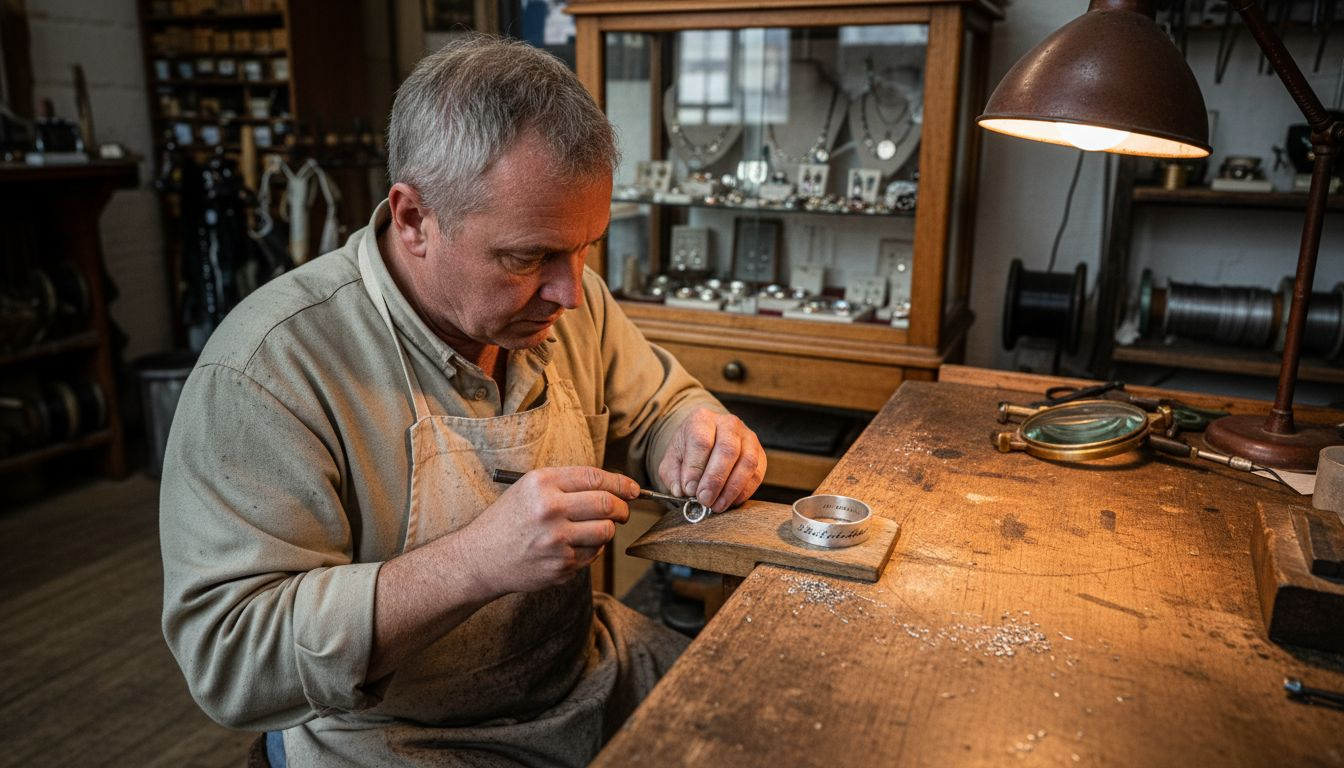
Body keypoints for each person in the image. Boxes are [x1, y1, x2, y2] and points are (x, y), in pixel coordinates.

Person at [159, 35, 766, 768]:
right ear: (413, 219)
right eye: (527, 257)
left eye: (586, 248)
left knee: (774, 720)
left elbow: (662, 405)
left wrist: (697, 437)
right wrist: (474, 564)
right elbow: (231, 660)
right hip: (395, 734)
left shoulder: (570, 303)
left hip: (578, 676)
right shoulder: (270, 368)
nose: (569, 291)